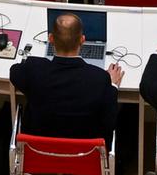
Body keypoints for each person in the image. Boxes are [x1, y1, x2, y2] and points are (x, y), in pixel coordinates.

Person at [9, 13, 122, 144]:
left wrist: (30, 63)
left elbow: (14, 71)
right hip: (83, 157)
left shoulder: (34, 69)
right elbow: (109, 122)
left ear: (50, 38)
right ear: (82, 40)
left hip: (39, 153)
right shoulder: (100, 78)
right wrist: (112, 85)